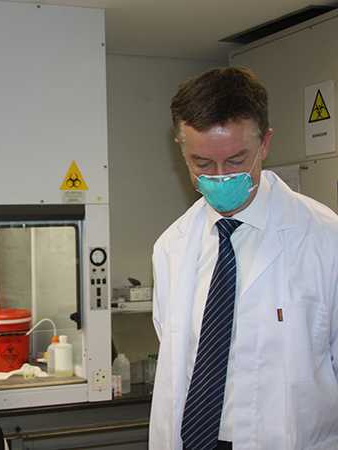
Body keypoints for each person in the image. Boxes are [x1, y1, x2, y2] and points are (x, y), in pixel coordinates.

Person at [149, 67, 338, 450]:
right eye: (202, 163)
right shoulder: (171, 247)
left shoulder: (325, 239)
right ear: (180, 150)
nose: (219, 176)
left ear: (265, 144)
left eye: (236, 160)